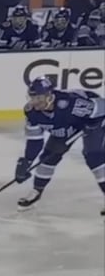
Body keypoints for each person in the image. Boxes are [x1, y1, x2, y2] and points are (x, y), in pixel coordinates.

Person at [13, 77, 105, 215]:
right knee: (48, 157)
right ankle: (36, 191)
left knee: (93, 157)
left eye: (39, 98)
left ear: (50, 95)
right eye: (33, 98)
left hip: (92, 120)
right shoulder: (31, 112)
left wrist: (91, 125)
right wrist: (27, 161)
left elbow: (102, 108)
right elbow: (35, 141)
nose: (35, 102)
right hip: (66, 126)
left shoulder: (71, 104)